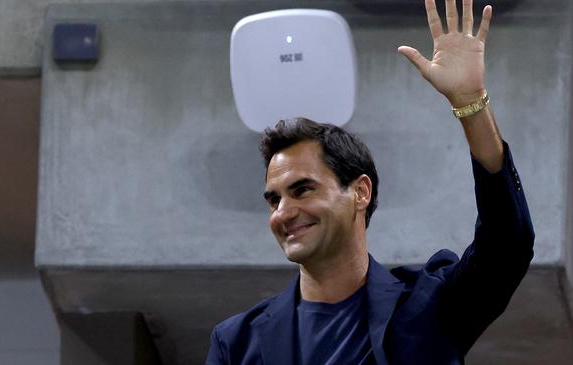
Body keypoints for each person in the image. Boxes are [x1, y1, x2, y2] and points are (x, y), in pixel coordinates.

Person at [206, 0, 534, 363]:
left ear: (360, 192)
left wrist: (471, 103)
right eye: (274, 199)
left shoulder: (428, 306)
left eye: (302, 189)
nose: (284, 212)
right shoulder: (237, 343)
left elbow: (507, 245)